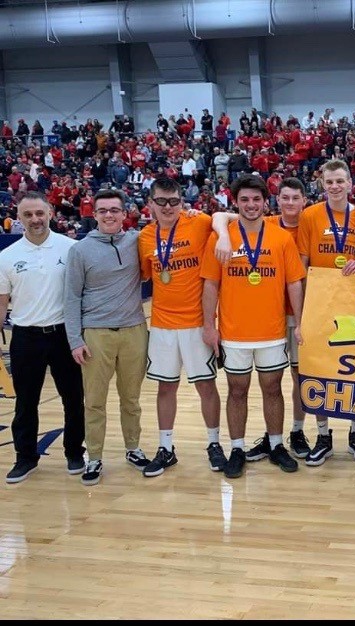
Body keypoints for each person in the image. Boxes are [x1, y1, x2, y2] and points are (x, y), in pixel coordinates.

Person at [201, 175, 305, 479]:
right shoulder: (220, 238)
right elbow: (210, 285)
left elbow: (294, 284)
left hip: (272, 331)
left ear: (265, 202)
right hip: (233, 333)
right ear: (236, 202)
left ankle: (276, 445)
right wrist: (210, 326)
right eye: (244, 199)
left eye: (256, 199)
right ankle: (236, 448)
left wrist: (298, 322)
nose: (250, 205)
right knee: (237, 391)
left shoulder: (281, 238)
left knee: (273, 389)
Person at [137, 177, 225, 477]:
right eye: (161, 201)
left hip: (196, 322)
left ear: (182, 202)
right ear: (151, 204)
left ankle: (214, 443)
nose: (168, 207)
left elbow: (228, 216)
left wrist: (222, 234)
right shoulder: (145, 237)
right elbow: (148, 275)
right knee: (166, 387)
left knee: (205, 386)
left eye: (174, 201)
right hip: (161, 324)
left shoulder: (198, 222)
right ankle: (166, 447)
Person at [64, 189, 150, 486]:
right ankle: (96, 457)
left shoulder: (137, 240)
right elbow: (71, 296)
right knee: (94, 402)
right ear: (94, 214)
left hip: (134, 331)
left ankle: (133, 448)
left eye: (115, 209)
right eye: (103, 211)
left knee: (131, 398)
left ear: (124, 213)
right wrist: (75, 339)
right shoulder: (80, 250)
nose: (109, 215)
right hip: (96, 334)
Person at [1, 193, 85, 483]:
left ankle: (75, 452)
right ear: (18, 217)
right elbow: (1, 303)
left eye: (39, 213)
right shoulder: (7, 257)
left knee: (73, 399)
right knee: (25, 401)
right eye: (28, 215)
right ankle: (25, 458)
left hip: (64, 334)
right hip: (25, 337)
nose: (35, 219)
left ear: (50, 212)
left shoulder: (72, 248)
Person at [296, 159, 355, 466]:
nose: (335, 187)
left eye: (340, 181)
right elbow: (302, 262)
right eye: (329, 182)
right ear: (322, 184)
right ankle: (323, 436)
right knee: (319, 370)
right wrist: (302, 309)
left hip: (353, 303)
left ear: (351, 183)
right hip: (318, 304)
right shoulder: (310, 215)